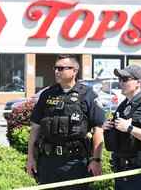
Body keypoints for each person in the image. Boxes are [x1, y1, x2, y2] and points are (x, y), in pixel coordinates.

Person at [26, 54, 105, 190]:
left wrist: (96, 160)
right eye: (56, 68)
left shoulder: (87, 94)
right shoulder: (47, 94)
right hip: (48, 162)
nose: (57, 71)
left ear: (74, 71)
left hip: (75, 162)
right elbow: (35, 129)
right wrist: (30, 158)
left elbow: (98, 129)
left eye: (61, 68)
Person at [103, 65, 141, 190]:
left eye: (125, 79)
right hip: (121, 168)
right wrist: (109, 127)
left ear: (138, 83)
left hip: (138, 171)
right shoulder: (125, 104)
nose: (120, 82)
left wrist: (130, 128)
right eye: (119, 79)